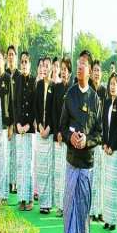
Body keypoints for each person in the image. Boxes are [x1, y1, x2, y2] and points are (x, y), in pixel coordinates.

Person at [59, 50, 102, 233]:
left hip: (87, 166)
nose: (79, 67)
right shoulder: (70, 95)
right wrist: (71, 137)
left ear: (90, 69)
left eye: (84, 64)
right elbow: (62, 126)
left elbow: (99, 134)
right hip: (71, 164)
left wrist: (87, 141)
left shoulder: (96, 100)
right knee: (69, 215)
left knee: (84, 218)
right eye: (78, 64)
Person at [102, 72, 117, 231]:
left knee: (113, 186)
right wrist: (104, 143)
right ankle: (107, 218)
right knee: (106, 185)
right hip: (106, 148)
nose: (112, 87)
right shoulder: (107, 102)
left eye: (115, 84)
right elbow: (104, 125)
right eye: (111, 84)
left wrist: (110, 145)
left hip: (115, 150)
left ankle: (113, 220)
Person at [14, 51, 36, 211]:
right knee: (20, 164)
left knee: (28, 165)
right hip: (19, 129)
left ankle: (29, 199)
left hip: (29, 129)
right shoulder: (17, 80)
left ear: (30, 64)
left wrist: (28, 125)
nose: (23, 64)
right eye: (22, 62)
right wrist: (17, 124)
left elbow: (35, 106)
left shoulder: (34, 81)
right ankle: (21, 198)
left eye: (26, 62)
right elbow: (14, 104)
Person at [52, 58, 73, 217]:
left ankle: (68, 206)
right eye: (62, 69)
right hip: (58, 137)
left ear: (70, 72)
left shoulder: (73, 89)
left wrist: (66, 133)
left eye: (66, 69)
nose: (64, 72)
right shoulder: (57, 88)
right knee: (59, 172)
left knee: (68, 173)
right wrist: (58, 131)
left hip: (69, 138)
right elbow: (54, 112)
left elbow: (73, 116)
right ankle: (60, 206)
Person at [34, 56, 55, 214]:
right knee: (40, 168)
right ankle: (42, 202)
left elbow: (55, 111)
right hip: (40, 131)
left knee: (48, 169)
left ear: (52, 68)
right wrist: (40, 127)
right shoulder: (39, 85)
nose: (45, 68)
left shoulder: (55, 86)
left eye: (48, 66)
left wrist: (48, 128)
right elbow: (36, 107)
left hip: (50, 133)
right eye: (43, 66)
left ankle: (48, 204)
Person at [90, 61, 106, 222]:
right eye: (94, 70)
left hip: (100, 141)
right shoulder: (87, 90)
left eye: (98, 70)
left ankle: (99, 211)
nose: (96, 73)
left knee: (100, 177)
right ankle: (90, 210)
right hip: (89, 141)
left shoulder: (104, 92)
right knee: (90, 176)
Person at [0, 50, 13, 204]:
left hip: (4, 123)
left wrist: (11, 125)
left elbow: (11, 103)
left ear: (3, 61)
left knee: (4, 159)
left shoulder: (7, 78)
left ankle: (3, 194)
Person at [6, 45, 19, 194]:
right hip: (6, 121)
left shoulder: (19, 75)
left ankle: (15, 182)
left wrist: (14, 123)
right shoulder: (3, 74)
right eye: (8, 54)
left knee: (16, 153)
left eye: (12, 54)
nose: (10, 57)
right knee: (7, 153)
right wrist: (8, 124)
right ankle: (8, 182)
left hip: (17, 122)